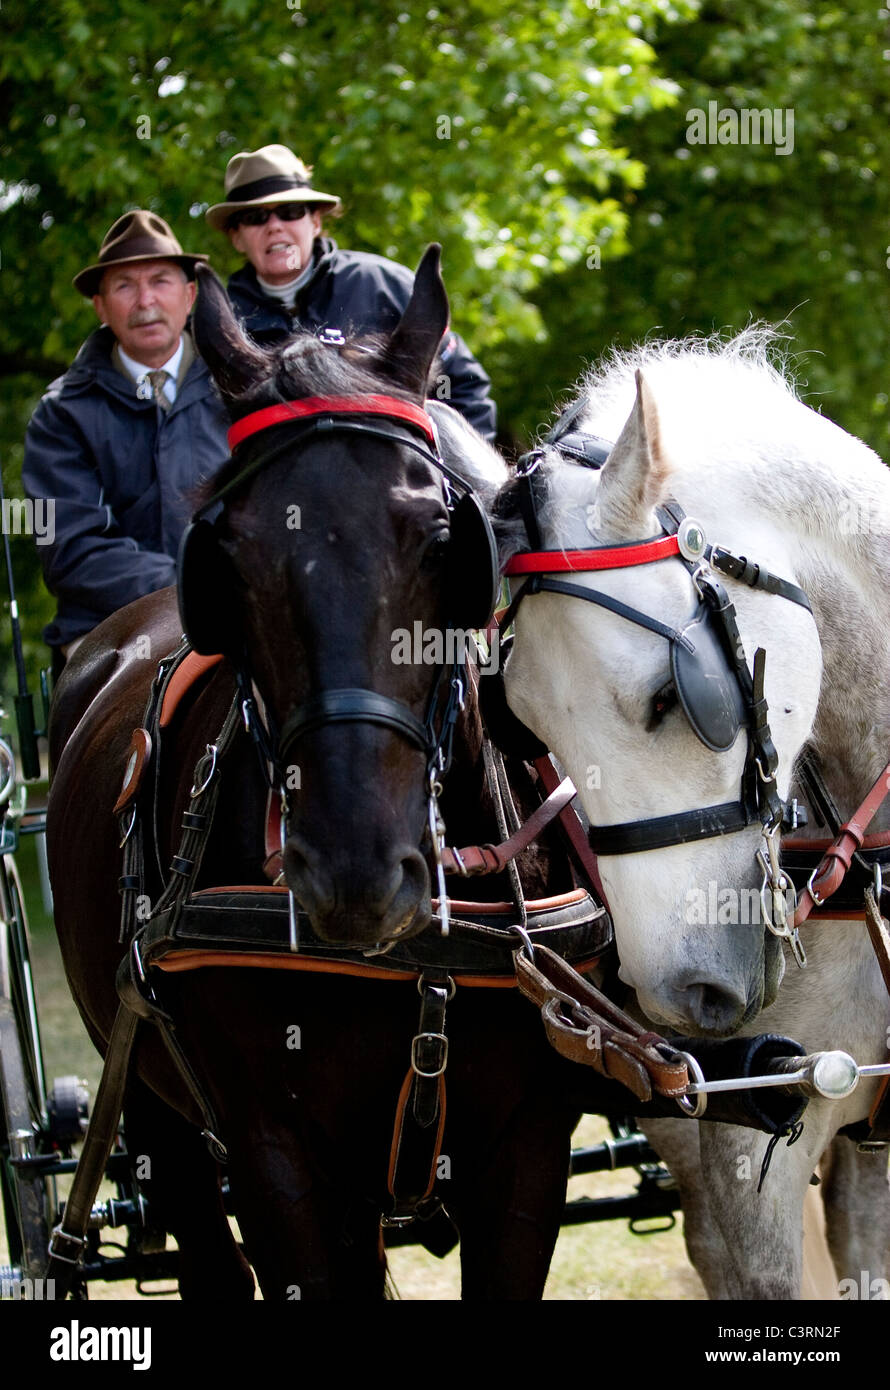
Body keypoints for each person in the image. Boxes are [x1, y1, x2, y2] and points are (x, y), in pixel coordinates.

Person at [22, 211, 230, 669]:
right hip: (108, 627)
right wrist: (189, 582)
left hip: (233, 609)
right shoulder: (60, 414)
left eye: (160, 281)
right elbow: (69, 550)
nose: (145, 301)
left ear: (190, 295)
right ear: (100, 306)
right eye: (124, 286)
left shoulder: (241, 392)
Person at [206, 144, 497, 440]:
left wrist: (453, 474)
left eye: (289, 212)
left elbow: (463, 386)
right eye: (256, 217)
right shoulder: (221, 324)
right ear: (236, 237)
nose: (275, 227)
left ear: (315, 221)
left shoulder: (387, 286)